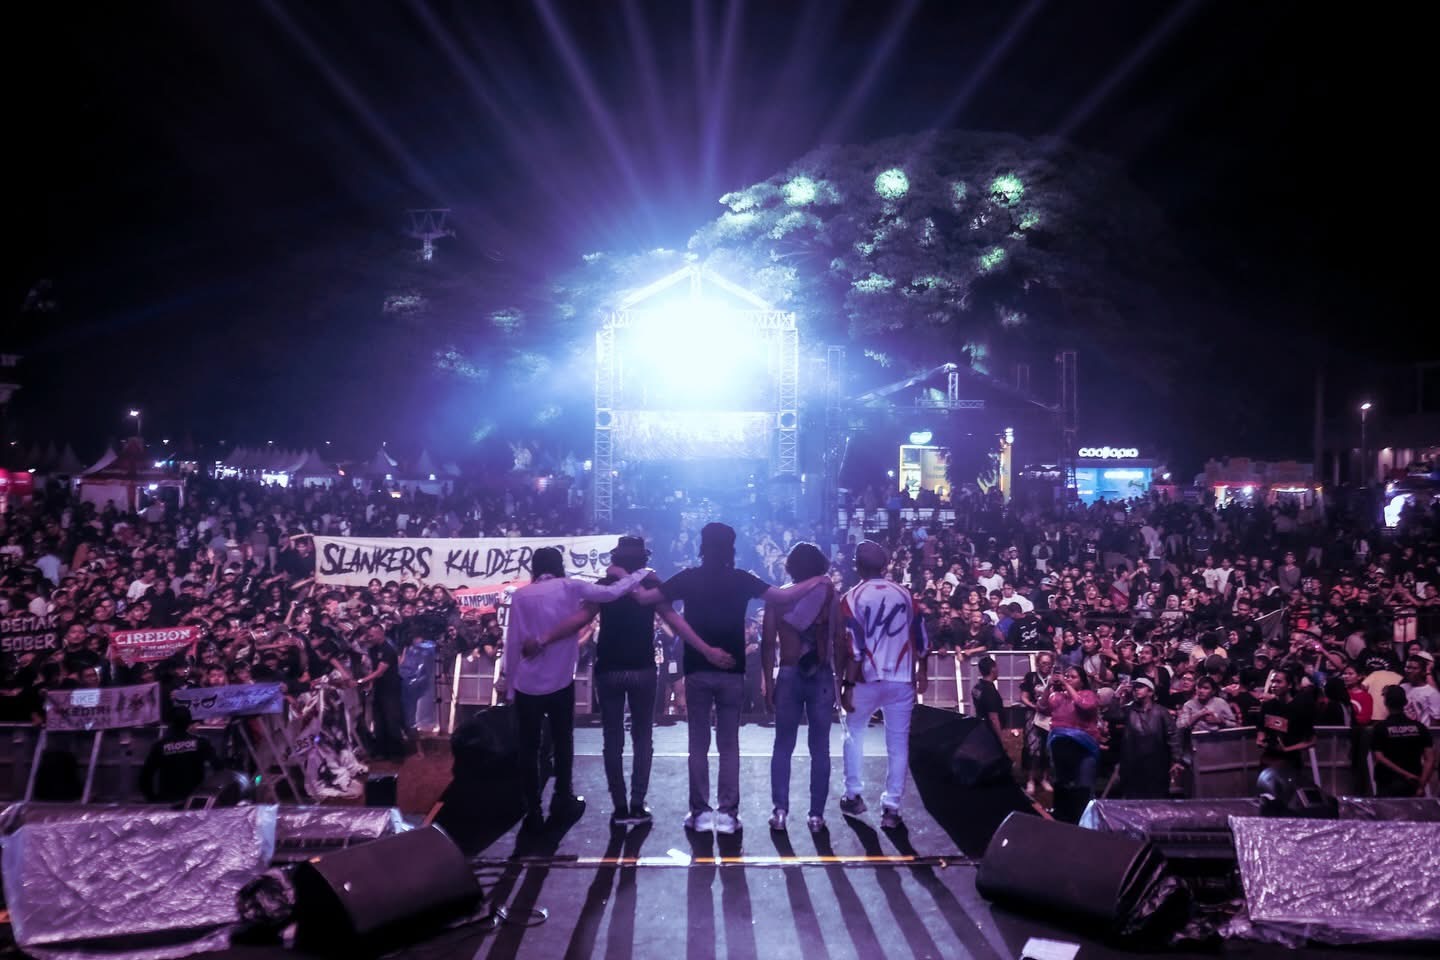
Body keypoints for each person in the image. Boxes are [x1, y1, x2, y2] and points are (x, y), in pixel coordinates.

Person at [628, 522, 829, 834]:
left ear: (702, 546)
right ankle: (728, 814)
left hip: (697, 668)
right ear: (731, 548)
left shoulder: (689, 577)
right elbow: (781, 597)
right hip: (732, 671)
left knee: (698, 744)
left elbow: (643, 599)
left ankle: (699, 813)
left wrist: (631, 573)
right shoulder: (741, 578)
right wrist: (819, 578)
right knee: (729, 745)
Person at [543, 536, 718, 828]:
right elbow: (674, 620)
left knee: (612, 738)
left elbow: (580, 619)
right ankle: (638, 804)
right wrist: (705, 648)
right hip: (642, 667)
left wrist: (544, 639)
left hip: (609, 668)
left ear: (616, 558)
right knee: (642, 737)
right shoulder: (650, 586)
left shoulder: (604, 584)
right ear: (643, 560)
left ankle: (620, 806)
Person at [504, 547, 652, 832]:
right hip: (560, 681)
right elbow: (611, 593)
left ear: (535, 567)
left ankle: (532, 808)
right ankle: (563, 799)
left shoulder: (521, 596)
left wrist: (510, 687)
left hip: (526, 684)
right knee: (563, 742)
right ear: (559, 566)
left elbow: (512, 643)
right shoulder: (570, 586)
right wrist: (640, 573)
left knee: (528, 747)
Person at [838, 540, 928, 830]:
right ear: (886, 565)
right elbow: (922, 638)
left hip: (865, 678)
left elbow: (854, 648)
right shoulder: (905, 594)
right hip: (901, 679)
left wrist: (847, 683)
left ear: (857, 566)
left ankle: (853, 795)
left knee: (854, 733)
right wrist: (923, 671)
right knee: (898, 744)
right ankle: (891, 808)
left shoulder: (851, 597)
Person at [761, 541, 841, 833]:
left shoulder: (779, 596)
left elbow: (768, 643)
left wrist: (767, 680)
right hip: (822, 674)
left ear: (791, 566)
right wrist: (842, 681)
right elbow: (839, 639)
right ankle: (816, 816)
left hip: (789, 672)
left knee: (783, 745)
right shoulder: (830, 594)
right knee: (820, 748)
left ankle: (780, 812)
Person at [1047, 665, 1101, 823]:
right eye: (1066, 676)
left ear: (1082, 681)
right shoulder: (1058, 697)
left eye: (1072, 677)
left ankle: (1083, 820)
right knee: (1062, 784)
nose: (1068, 679)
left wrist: (1066, 685)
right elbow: (1042, 707)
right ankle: (1062, 818)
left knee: (1082, 786)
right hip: (1062, 747)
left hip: (1083, 747)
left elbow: (1084, 705)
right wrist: (1048, 687)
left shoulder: (1089, 695)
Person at [1117, 676, 1183, 799]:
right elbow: (1112, 716)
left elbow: (1173, 735)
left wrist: (1176, 760)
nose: (1136, 689)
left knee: (1157, 798)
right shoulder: (1128, 710)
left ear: (1150, 692)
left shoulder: (1161, 712)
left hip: (1157, 763)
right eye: (1135, 687)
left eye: (1141, 687)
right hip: (1133, 764)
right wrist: (1118, 697)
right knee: (1134, 800)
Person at [139, 707, 218, 804]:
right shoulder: (201, 743)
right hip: (193, 802)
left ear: (171, 723)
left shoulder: (160, 745)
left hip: (167, 801)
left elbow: (145, 777)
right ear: (189, 722)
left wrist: (153, 799)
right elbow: (218, 768)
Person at [1371, 686, 1435, 797]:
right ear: (1405, 702)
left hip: (1388, 784)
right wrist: (1421, 785)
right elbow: (1430, 759)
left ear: (1385, 702)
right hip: (1414, 784)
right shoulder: (1420, 727)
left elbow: (1379, 757)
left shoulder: (1380, 728)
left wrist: (1406, 775)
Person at [357, 623, 404, 761]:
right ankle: (382, 751)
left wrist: (361, 681)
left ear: (380, 633)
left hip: (390, 690)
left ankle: (397, 753)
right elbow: (371, 668)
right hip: (378, 689)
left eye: (372, 635)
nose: (369, 638)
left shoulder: (388, 650)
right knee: (379, 720)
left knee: (391, 720)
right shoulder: (372, 649)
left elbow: (379, 672)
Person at [1018, 652, 1055, 797]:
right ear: (1038, 663)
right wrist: (1035, 707)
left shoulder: (1055, 678)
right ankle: (1031, 779)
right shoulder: (1031, 677)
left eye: (1049, 663)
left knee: (1048, 747)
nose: (1046, 666)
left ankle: (1045, 778)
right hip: (1033, 715)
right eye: (1043, 663)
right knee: (1033, 748)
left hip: (1051, 716)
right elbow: (1023, 697)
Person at [973, 655, 1005, 743]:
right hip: (990, 733)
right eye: (996, 667)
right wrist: (1000, 739)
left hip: (981, 729)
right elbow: (993, 718)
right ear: (993, 669)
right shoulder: (989, 691)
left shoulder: (977, 687)